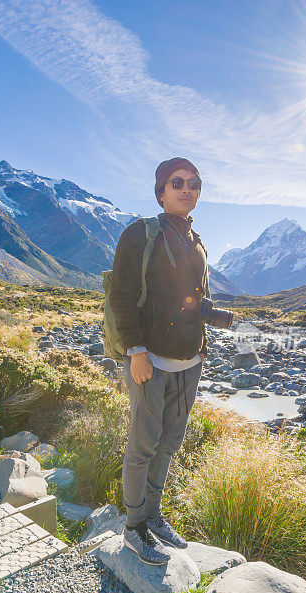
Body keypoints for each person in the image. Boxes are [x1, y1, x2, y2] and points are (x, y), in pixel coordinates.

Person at [108, 157, 210, 565]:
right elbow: (121, 296)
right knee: (143, 444)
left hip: (190, 363)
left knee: (168, 443)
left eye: (194, 182)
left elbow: (193, 299)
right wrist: (135, 351)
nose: (187, 188)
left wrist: (204, 342)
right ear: (161, 191)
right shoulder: (140, 234)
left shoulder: (197, 240)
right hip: (149, 360)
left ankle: (153, 515)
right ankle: (133, 527)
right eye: (177, 182)